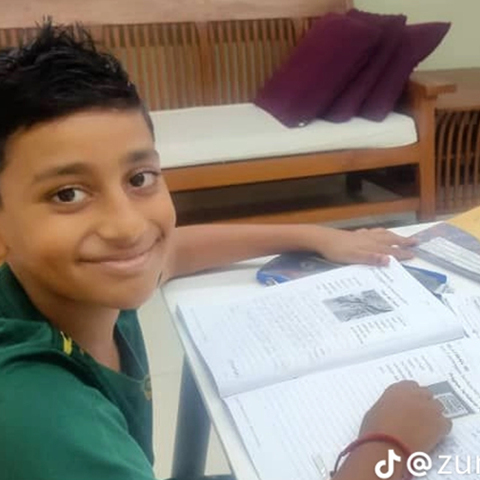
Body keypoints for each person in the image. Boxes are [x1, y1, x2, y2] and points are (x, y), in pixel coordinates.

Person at [0, 22, 450, 480]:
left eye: (139, 179)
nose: (128, 227)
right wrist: (389, 446)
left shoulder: (81, 283)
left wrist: (316, 236)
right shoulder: (36, 414)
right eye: (68, 194)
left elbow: (174, 252)